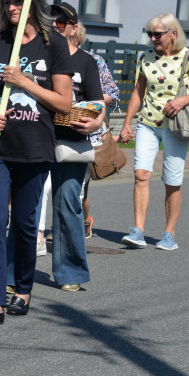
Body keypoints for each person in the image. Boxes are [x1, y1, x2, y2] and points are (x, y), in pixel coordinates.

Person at [0, 0, 72, 326]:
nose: (11, 7)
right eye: (6, 1)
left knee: (24, 224)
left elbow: (64, 103)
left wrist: (24, 82)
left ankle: (22, 288)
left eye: (17, 1)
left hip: (34, 147)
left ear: (32, 4)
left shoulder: (53, 46)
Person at [118, 13, 189, 251]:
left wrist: (182, 101)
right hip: (148, 124)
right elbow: (138, 93)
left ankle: (169, 234)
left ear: (173, 34)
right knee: (140, 175)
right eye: (150, 34)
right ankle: (138, 231)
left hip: (175, 127)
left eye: (157, 34)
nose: (153, 38)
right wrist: (127, 123)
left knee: (172, 181)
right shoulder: (145, 57)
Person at [47, 3, 105, 291]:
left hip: (72, 141)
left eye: (61, 21)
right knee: (27, 205)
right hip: (37, 137)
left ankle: (69, 273)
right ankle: (13, 273)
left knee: (68, 203)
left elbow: (98, 103)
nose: (55, 24)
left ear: (73, 27)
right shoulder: (37, 56)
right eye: (51, 20)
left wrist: (95, 124)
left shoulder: (85, 61)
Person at [73, 21, 119, 238]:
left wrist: (90, 101)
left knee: (80, 185)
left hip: (87, 129)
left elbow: (112, 92)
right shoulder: (51, 59)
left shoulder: (93, 60)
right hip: (55, 129)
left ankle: (83, 221)